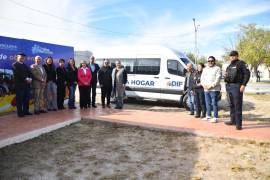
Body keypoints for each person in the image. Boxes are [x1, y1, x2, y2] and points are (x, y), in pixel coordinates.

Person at [224, 50, 250, 130]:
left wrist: (243, 84)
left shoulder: (241, 63)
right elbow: (227, 75)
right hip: (229, 86)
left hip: (237, 86)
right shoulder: (229, 65)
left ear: (237, 56)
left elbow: (247, 74)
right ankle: (233, 121)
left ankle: (238, 124)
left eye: (233, 56)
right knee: (231, 105)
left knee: (237, 105)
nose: (232, 57)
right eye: (231, 56)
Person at [201, 56, 221, 123]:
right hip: (206, 89)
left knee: (214, 103)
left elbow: (217, 79)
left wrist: (211, 86)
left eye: (212, 61)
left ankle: (215, 117)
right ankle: (208, 116)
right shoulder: (205, 69)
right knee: (207, 103)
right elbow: (202, 78)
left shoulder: (217, 68)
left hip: (214, 89)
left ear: (214, 61)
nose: (210, 62)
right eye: (209, 61)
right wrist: (204, 85)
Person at [12, 52, 32, 117]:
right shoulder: (15, 65)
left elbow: (29, 73)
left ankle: (26, 111)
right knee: (19, 100)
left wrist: (30, 79)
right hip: (19, 86)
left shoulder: (25, 65)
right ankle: (20, 113)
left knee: (26, 99)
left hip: (26, 85)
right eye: (21, 57)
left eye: (23, 57)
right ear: (17, 57)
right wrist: (26, 79)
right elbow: (18, 74)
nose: (22, 58)